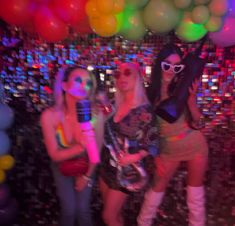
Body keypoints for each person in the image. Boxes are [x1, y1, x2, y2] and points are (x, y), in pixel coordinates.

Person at [137, 44, 209, 226]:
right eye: (166, 65)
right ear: (159, 64)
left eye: (177, 67)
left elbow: (198, 124)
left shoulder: (182, 87)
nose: (171, 70)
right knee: (155, 191)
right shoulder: (149, 93)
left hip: (195, 145)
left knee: (195, 195)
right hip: (169, 149)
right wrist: (155, 156)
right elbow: (147, 130)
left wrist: (192, 102)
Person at [40, 66, 104, 226]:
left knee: (82, 209)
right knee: (69, 210)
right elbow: (54, 154)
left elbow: (96, 154)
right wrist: (80, 146)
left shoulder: (95, 115)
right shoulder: (49, 116)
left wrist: (87, 177)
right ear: (64, 85)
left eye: (88, 83)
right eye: (78, 80)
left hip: (86, 165)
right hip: (61, 165)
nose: (84, 86)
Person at [99, 62, 159, 226]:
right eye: (118, 74)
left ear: (138, 78)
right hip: (107, 166)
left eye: (128, 73)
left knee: (108, 216)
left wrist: (135, 156)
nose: (121, 77)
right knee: (114, 214)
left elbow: (153, 144)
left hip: (127, 171)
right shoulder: (114, 104)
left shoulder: (144, 111)